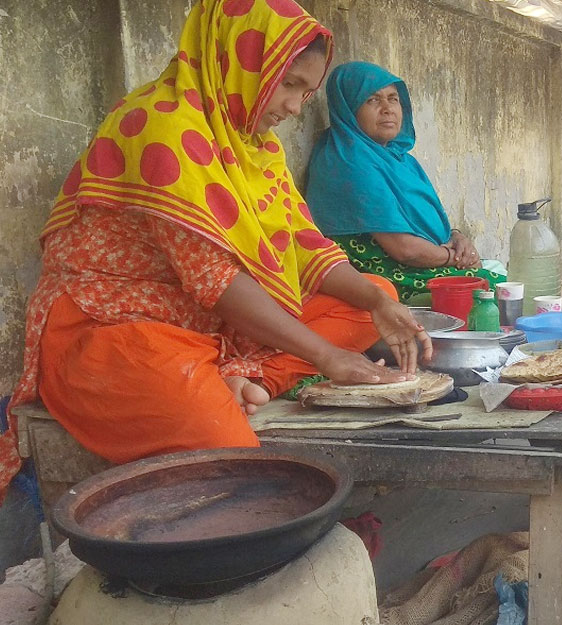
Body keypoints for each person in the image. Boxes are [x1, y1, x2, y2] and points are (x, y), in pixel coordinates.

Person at [0, 0, 434, 494]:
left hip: (206, 323)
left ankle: (248, 378)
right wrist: (325, 356)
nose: (295, 108)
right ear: (240, 60)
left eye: (306, 92)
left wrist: (376, 301)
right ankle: (223, 386)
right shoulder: (160, 126)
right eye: (289, 84)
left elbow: (305, 246)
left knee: (373, 297)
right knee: (231, 453)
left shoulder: (255, 144)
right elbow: (218, 283)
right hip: (111, 329)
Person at [306, 62, 505, 305]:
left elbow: (430, 225)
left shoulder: (399, 159)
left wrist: (458, 238)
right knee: (497, 291)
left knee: (501, 279)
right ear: (348, 108)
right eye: (372, 100)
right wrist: (455, 257)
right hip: (394, 277)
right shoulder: (349, 161)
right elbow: (405, 250)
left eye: (393, 99)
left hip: (430, 261)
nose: (388, 109)